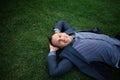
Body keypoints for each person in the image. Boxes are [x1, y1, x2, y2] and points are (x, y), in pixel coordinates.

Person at [47, 20, 120, 80]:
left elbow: (62, 22)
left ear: (62, 32)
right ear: (61, 47)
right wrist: (52, 51)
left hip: (115, 41)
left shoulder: (70, 32)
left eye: (60, 36)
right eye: (59, 42)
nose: (62, 38)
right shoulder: (71, 55)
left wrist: (56, 33)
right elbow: (54, 72)